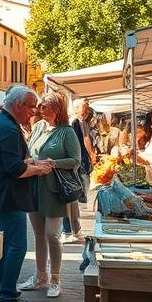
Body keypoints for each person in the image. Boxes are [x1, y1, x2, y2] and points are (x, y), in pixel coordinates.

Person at [0, 86, 53, 302]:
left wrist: (34, 162)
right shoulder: (8, 128)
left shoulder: (2, 124)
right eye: (31, 106)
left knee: (2, 246)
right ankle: (8, 299)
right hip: (7, 196)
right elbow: (15, 169)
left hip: (0, 194)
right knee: (16, 246)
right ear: (18, 105)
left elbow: (11, 160)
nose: (34, 111)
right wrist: (38, 170)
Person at [18, 91, 81, 298]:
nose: (39, 110)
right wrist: (31, 162)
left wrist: (54, 163)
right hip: (34, 185)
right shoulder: (37, 127)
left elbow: (75, 160)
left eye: (44, 106)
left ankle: (55, 278)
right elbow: (29, 153)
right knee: (38, 235)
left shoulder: (67, 132)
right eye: (39, 107)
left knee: (52, 235)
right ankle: (40, 277)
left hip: (54, 189)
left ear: (56, 108)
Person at [62, 98, 94, 243]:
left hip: (77, 161)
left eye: (87, 108)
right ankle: (69, 230)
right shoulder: (74, 122)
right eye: (84, 108)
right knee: (74, 195)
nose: (86, 110)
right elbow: (85, 140)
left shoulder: (80, 121)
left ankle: (74, 229)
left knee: (73, 199)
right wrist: (91, 154)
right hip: (76, 163)